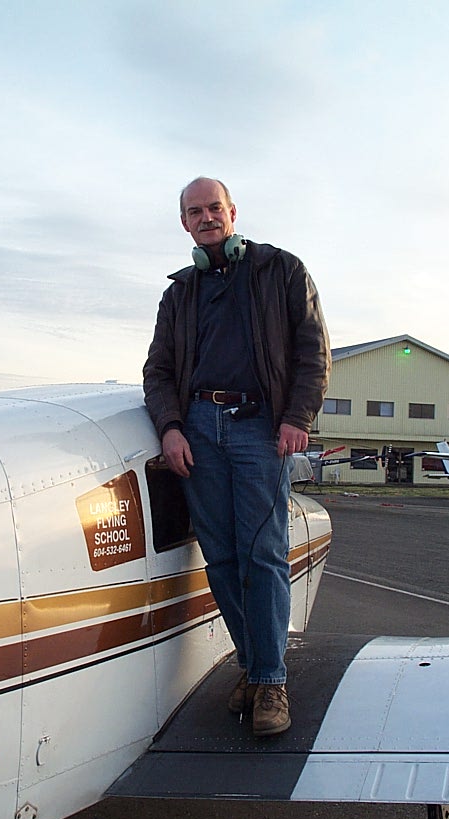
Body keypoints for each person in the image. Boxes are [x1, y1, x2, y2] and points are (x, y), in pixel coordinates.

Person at [143, 176, 330, 736]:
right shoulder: (179, 294)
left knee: (264, 555)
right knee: (221, 559)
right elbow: (158, 372)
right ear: (184, 223)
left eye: (214, 208)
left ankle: (271, 682)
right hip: (199, 429)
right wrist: (171, 427)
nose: (206, 217)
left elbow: (312, 350)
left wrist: (297, 416)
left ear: (232, 212)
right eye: (195, 211)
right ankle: (253, 666)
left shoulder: (281, 271)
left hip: (257, 427)